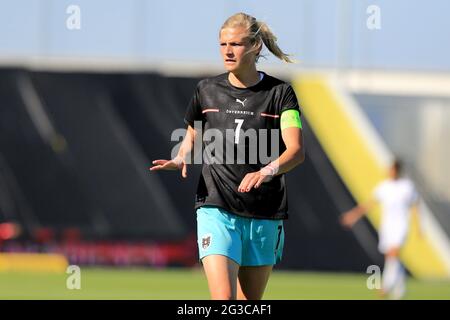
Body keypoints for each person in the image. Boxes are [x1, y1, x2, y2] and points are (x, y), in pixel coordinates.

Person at [150, 12, 305, 300]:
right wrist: (181, 155)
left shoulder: (281, 93)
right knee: (223, 299)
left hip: (264, 213)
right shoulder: (206, 90)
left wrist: (265, 171)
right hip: (215, 208)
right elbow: (193, 133)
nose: (227, 51)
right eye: (222, 44)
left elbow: (295, 151)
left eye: (235, 44)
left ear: (255, 46)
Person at [340, 159, 421, 299]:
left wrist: (419, 226)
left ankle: (386, 286)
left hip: (401, 225)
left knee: (393, 254)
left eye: (393, 169)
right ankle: (400, 291)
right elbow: (369, 204)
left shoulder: (407, 186)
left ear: (398, 171)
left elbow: (415, 205)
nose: (390, 172)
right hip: (387, 226)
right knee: (392, 258)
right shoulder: (384, 187)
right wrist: (353, 216)